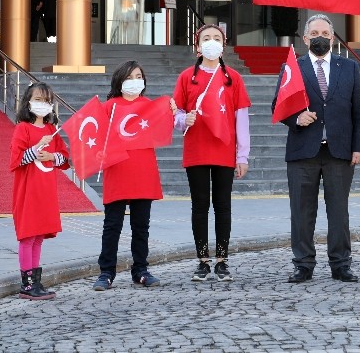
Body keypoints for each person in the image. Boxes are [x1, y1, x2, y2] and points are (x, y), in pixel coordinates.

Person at [272, 14, 360, 284]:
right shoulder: (293, 67)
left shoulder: (348, 68)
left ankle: (341, 265)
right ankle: (303, 265)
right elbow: (277, 107)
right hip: (303, 151)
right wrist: (296, 119)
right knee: (302, 213)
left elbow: (358, 112)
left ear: (333, 38)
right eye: (314, 33)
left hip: (339, 152)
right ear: (304, 39)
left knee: (339, 212)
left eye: (325, 33)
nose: (320, 37)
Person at [171, 24, 251, 282]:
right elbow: (176, 114)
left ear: (223, 45)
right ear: (197, 46)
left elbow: (242, 119)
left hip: (224, 150)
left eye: (217, 38)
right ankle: (203, 259)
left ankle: (222, 259)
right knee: (200, 206)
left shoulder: (233, 78)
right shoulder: (186, 77)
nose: (211, 42)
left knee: (223, 206)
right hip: (196, 149)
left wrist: (242, 156)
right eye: (206, 38)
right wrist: (185, 121)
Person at [93, 60, 163, 290]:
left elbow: (165, 126)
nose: (135, 81)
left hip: (143, 171)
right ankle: (106, 272)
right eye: (130, 77)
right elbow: (94, 136)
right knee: (112, 225)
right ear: (119, 81)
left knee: (141, 225)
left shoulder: (149, 105)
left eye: (138, 76)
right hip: (117, 170)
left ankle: (140, 269)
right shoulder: (109, 107)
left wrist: (172, 111)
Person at [9, 82, 68, 300]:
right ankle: (27, 284)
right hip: (28, 191)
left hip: (46, 192)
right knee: (27, 236)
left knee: (38, 237)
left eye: (46, 100)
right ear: (28, 102)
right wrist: (36, 149)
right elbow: (16, 160)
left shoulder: (52, 130)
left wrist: (52, 156)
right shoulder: (22, 129)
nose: (43, 104)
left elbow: (64, 159)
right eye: (38, 99)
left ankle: (36, 280)